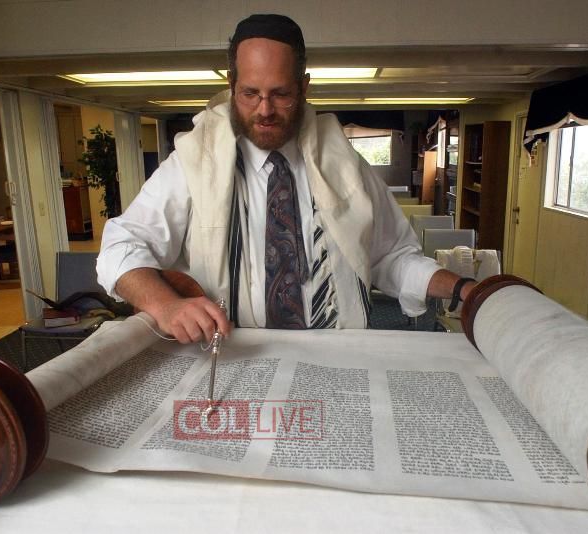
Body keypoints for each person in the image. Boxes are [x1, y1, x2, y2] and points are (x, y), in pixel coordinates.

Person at [97, 14, 476, 344]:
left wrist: (463, 289)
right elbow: (121, 245)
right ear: (231, 84)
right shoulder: (194, 162)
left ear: (304, 87)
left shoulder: (346, 165)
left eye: (280, 94)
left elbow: (391, 257)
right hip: (233, 357)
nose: (264, 110)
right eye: (250, 93)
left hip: (337, 357)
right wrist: (166, 306)